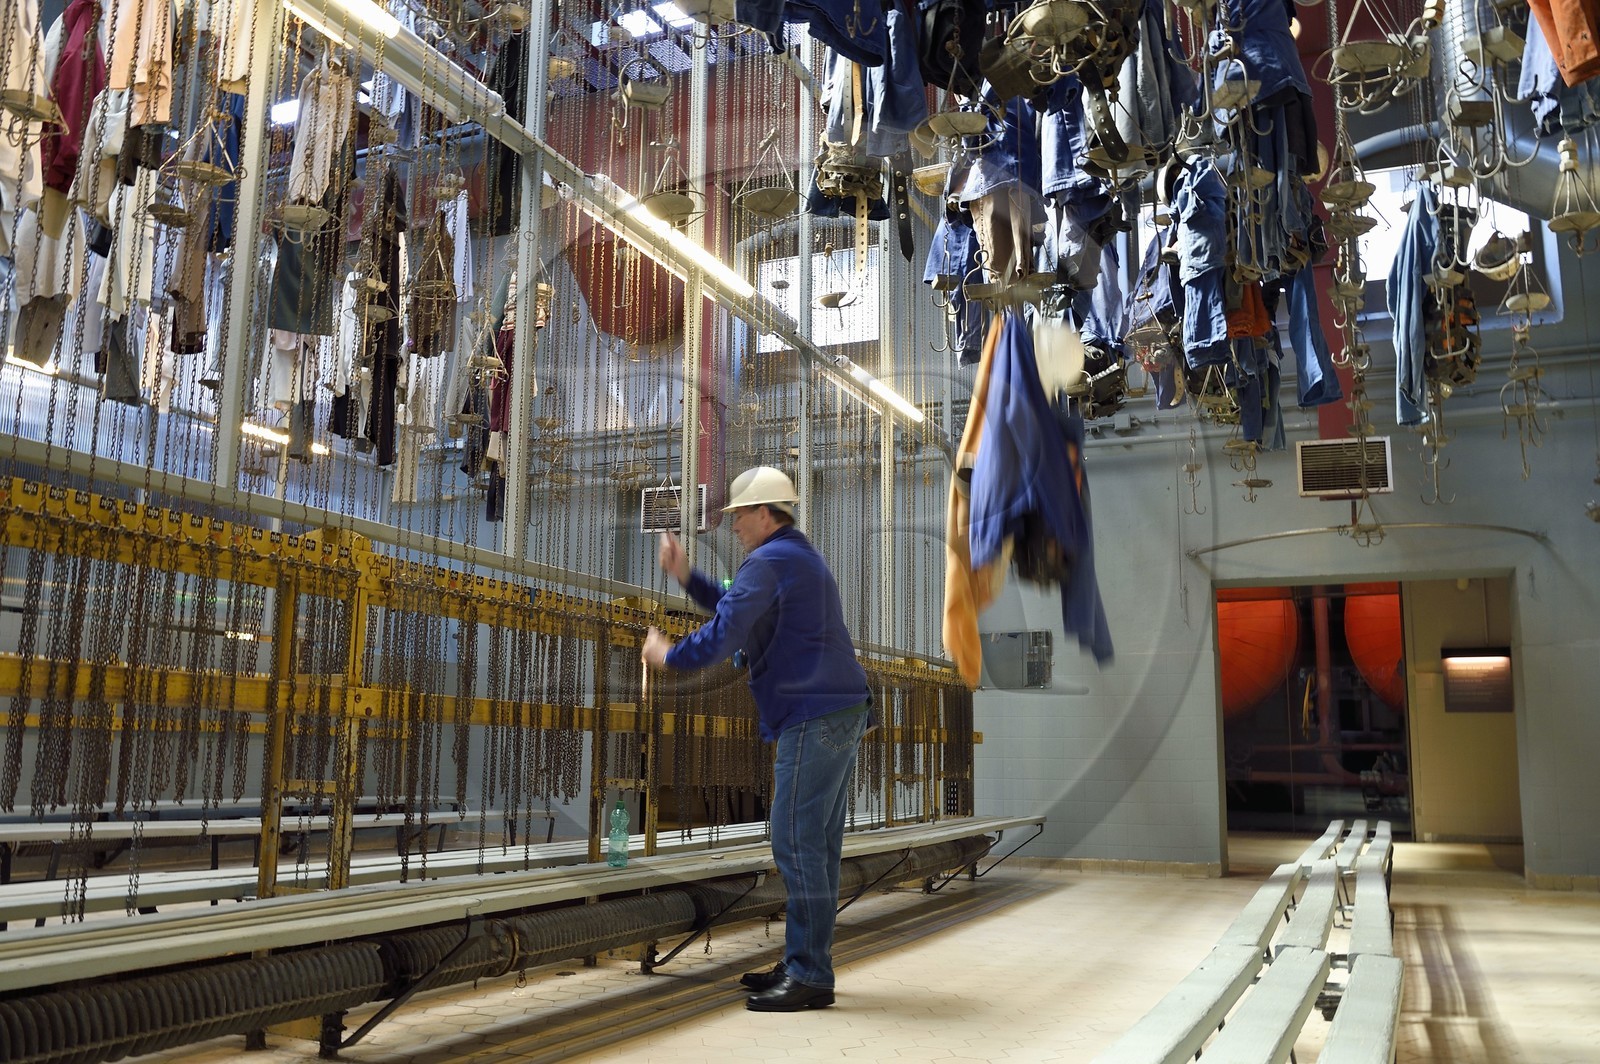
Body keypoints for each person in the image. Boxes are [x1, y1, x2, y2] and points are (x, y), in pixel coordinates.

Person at [641, 466, 872, 1013]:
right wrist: (687, 577)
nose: (733, 526)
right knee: (816, 844)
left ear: (766, 513)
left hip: (813, 716)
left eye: (739, 516)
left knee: (795, 841)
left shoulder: (770, 561)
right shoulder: (793, 558)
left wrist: (669, 656)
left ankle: (810, 973)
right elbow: (732, 598)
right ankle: (803, 962)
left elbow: (726, 630)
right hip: (836, 710)